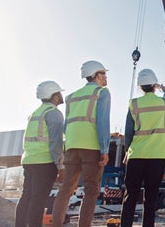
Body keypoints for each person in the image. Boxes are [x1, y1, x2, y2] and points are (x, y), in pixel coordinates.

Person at [51, 60, 111, 227]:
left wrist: (67, 147)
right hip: (91, 147)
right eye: (104, 74)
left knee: (65, 190)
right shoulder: (102, 93)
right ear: (97, 75)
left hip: (71, 147)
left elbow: (66, 127)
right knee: (91, 190)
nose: (106, 77)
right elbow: (102, 123)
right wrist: (104, 149)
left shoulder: (71, 97)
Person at [120, 68, 165, 227]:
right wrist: (163, 90)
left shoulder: (134, 103)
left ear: (140, 87)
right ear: (154, 85)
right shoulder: (164, 103)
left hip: (136, 155)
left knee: (130, 196)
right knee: (151, 198)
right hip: (157, 156)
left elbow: (128, 133)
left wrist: (127, 151)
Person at [15, 81, 65, 227]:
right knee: (38, 200)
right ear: (54, 96)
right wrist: (60, 165)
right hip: (45, 162)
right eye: (59, 93)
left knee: (26, 198)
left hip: (30, 160)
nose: (61, 96)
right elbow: (56, 142)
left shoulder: (35, 114)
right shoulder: (54, 113)